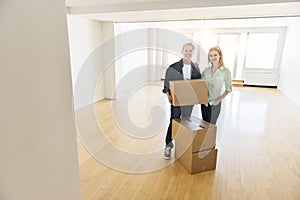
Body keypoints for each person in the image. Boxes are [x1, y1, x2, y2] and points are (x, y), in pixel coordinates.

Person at [162, 43, 201, 160]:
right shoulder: (173, 67)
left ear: (192, 52)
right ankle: (168, 145)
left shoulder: (195, 68)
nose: (188, 53)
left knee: (185, 122)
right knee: (174, 121)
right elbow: (167, 82)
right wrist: (168, 95)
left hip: (189, 101)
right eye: (186, 50)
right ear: (182, 51)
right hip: (177, 99)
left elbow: (199, 83)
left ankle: (182, 145)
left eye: (190, 51)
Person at [201, 46, 232, 125]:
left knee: (211, 127)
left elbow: (228, 89)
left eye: (215, 55)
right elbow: (199, 84)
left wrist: (218, 100)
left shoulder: (226, 71)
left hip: (215, 103)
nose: (213, 57)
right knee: (204, 125)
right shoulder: (206, 70)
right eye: (211, 56)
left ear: (220, 56)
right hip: (204, 103)